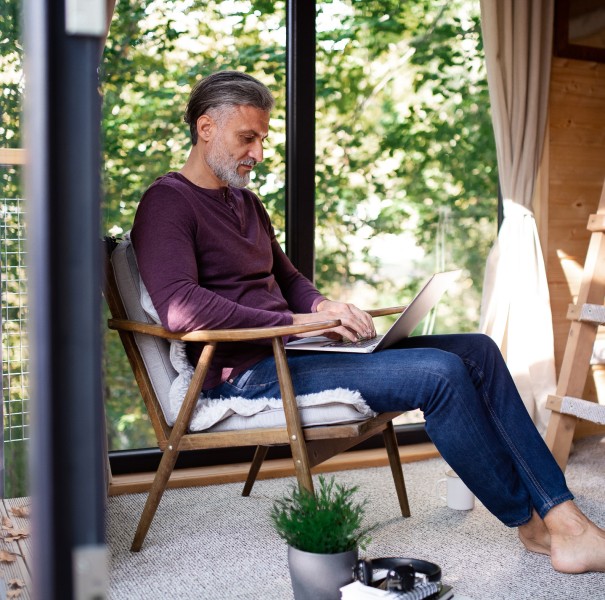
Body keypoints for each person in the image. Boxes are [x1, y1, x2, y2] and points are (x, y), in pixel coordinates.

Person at [130, 70, 605, 574]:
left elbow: (289, 279)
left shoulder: (245, 202)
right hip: (246, 371)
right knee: (439, 375)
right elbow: (182, 308)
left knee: (478, 349)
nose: (260, 152)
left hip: (292, 350)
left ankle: (563, 516)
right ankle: (532, 524)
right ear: (205, 128)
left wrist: (321, 308)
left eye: (263, 138)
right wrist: (298, 324)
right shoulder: (167, 203)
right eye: (247, 137)